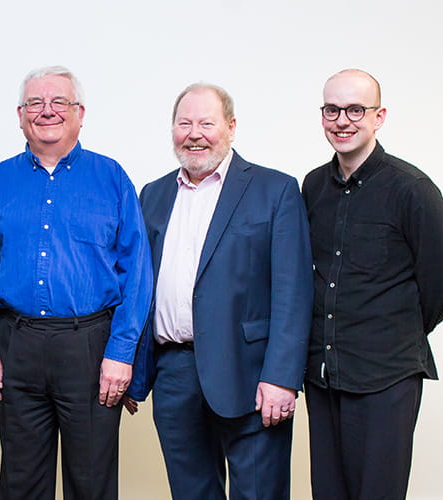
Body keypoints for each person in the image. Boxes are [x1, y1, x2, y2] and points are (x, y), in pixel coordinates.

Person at [0, 66, 152, 500]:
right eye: (35, 103)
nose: (47, 111)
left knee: (91, 484)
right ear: (20, 115)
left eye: (60, 102)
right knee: (20, 483)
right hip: (16, 344)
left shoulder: (112, 179)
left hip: (91, 348)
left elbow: (138, 274)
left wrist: (121, 353)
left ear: (80, 113)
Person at [125, 83, 313, 500]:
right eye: (184, 123)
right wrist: (133, 368)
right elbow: (139, 288)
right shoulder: (153, 195)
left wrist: (282, 377)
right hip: (174, 373)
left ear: (230, 127)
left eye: (206, 123)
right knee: (191, 492)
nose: (195, 133)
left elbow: (293, 292)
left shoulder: (274, 190)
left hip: (251, 375)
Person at [302, 69, 443, 500]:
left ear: (379, 116)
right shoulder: (313, 186)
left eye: (356, 109)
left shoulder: (412, 189)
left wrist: (392, 332)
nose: (342, 120)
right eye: (332, 110)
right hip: (323, 376)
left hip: (385, 378)